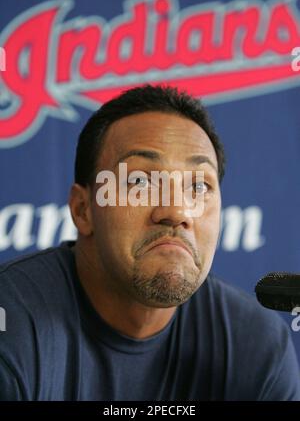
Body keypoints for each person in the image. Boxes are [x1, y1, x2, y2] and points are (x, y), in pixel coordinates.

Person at [0, 85, 299, 401]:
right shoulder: (12, 325)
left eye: (198, 185)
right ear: (82, 209)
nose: (177, 211)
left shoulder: (255, 344)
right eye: (140, 181)